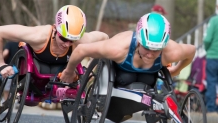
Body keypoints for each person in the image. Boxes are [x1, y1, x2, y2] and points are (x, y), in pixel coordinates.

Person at [60, 13, 196, 93]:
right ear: (138, 41)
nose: (150, 54)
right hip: (120, 75)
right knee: (126, 77)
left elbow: (192, 51)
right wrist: (68, 71)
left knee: (148, 79)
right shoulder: (117, 47)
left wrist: (177, 69)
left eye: (156, 50)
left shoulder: (171, 51)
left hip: (148, 80)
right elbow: (81, 49)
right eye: (147, 48)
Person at [0, 5, 109, 79]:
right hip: (36, 68)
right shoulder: (38, 35)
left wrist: (91, 68)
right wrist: (1, 65)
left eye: (72, 40)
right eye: (63, 38)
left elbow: (105, 38)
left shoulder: (82, 40)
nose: (67, 44)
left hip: (63, 71)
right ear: (54, 29)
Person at [203, 14, 218, 113]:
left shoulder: (214, 20)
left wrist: (207, 50)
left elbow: (207, 39)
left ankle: (211, 108)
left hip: (213, 56)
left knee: (211, 83)